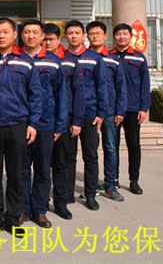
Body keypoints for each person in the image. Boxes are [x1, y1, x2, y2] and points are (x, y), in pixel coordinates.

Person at [0, 18, 42, 238]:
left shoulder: (25, 62)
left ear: (14, 35)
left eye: (5, 32)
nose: (1, 36)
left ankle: (13, 218)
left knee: (16, 174)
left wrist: (33, 123)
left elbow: (36, 95)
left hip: (18, 125)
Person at [20, 19, 66, 229]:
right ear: (22, 35)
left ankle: (39, 210)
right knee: (21, 168)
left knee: (42, 168)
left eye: (35, 32)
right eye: (27, 32)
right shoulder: (15, 59)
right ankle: (23, 208)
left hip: (45, 124)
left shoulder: (53, 61)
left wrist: (60, 124)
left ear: (41, 37)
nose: (31, 36)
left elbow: (61, 94)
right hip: (20, 123)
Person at [65, 20, 108, 211]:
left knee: (90, 156)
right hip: (69, 114)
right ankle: (67, 192)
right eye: (70, 33)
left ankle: (91, 194)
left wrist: (101, 113)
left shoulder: (94, 58)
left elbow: (102, 86)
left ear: (84, 36)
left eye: (77, 33)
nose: (74, 36)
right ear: (65, 36)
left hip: (90, 114)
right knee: (68, 156)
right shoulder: (62, 58)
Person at [43, 23, 85, 221]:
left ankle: (61, 202)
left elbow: (78, 92)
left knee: (61, 162)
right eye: (44, 39)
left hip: (63, 118)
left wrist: (77, 120)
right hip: (41, 120)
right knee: (42, 163)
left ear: (58, 40)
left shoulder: (70, 61)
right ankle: (41, 201)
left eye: (51, 39)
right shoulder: (36, 61)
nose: (47, 43)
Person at [86, 21, 127, 202]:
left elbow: (120, 87)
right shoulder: (84, 58)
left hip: (110, 111)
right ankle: (92, 186)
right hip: (91, 112)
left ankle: (111, 185)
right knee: (91, 151)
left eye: (98, 33)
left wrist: (120, 110)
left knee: (110, 148)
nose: (95, 36)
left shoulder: (113, 59)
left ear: (105, 36)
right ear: (87, 37)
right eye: (91, 34)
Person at [111, 23, 151, 196]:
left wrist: (144, 107)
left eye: (125, 34)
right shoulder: (108, 57)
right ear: (114, 37)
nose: (121, 37)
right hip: (113, 109)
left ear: (130, 36)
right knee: (112, 146)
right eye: (118, 34)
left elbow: (145, 84)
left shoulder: (139, 58)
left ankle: (134, 180)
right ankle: (113, 180)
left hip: (133, 108)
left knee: (133, 144)